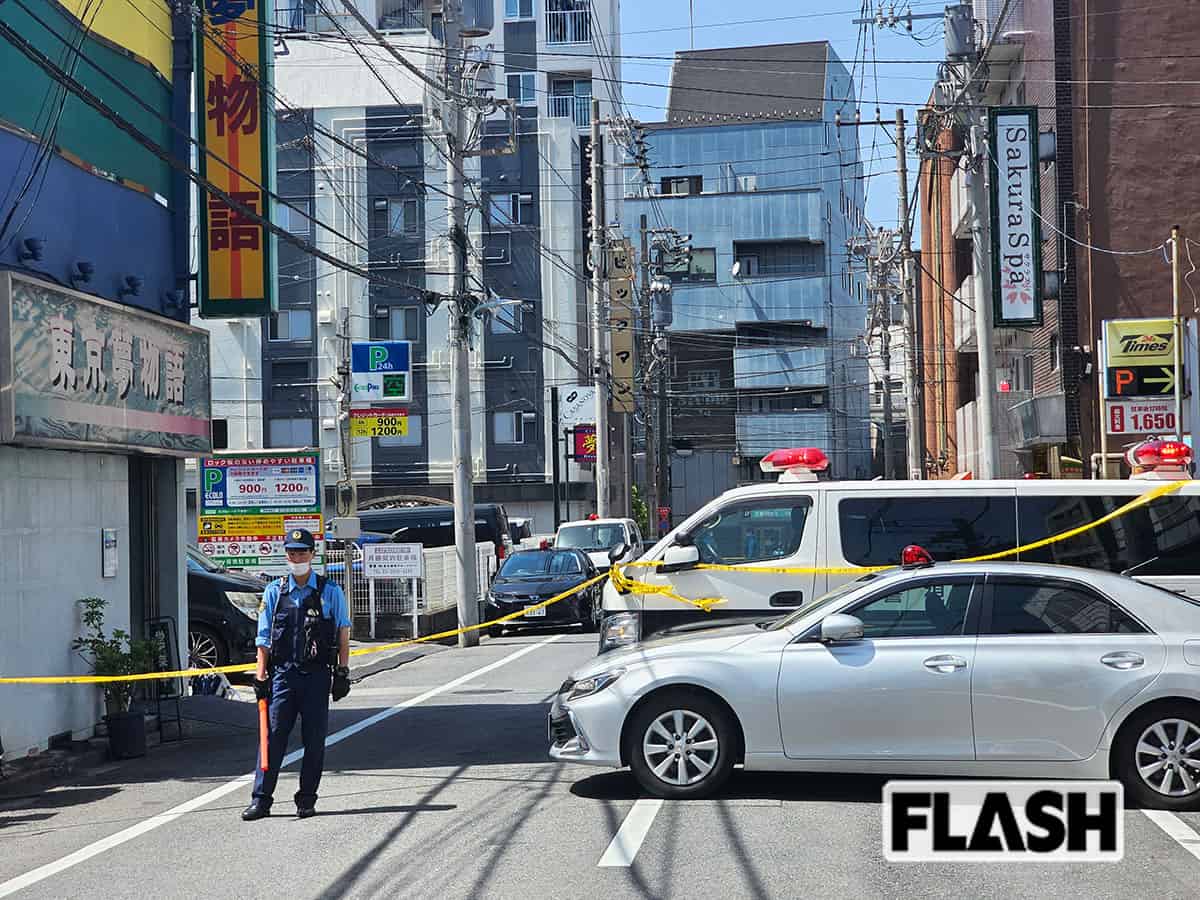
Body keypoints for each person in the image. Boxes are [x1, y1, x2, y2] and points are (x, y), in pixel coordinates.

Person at [242, 528, 352, 821]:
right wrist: (260, 676)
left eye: (302, 552)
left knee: (314, 740)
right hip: (282, 676)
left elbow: (343, 631)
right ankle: (261, 800)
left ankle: (306, 799)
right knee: (272, 737)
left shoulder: (330, 591)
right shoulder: (274, 592)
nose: (297, 557)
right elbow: (263, 638)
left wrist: (342, 671)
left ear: (312, 555)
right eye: (292, 552)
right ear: (286, 555)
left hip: (316, 676)